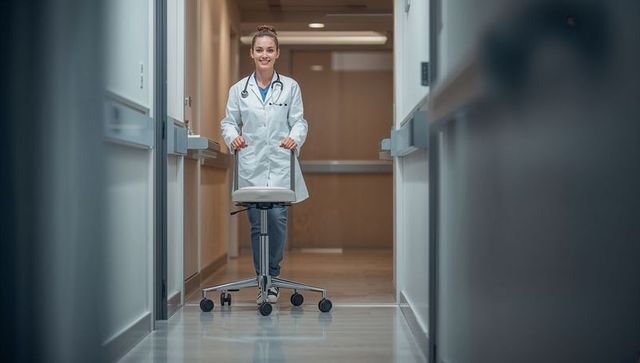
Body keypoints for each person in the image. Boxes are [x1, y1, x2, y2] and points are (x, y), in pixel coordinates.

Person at [220, 25, 309, 305]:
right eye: (259, 49)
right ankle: (263, 281)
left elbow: (299, 122)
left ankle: (273, 274)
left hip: (281, 165)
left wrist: (295, 138)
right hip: (251, 165)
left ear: (277, 53)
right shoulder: (239, 90)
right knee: (258, 224)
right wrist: (233, 138)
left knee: (276, 220)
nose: (264, 54)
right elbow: (228, 122)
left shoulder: (291, 87)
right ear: (252, 53)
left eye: (270, 49)